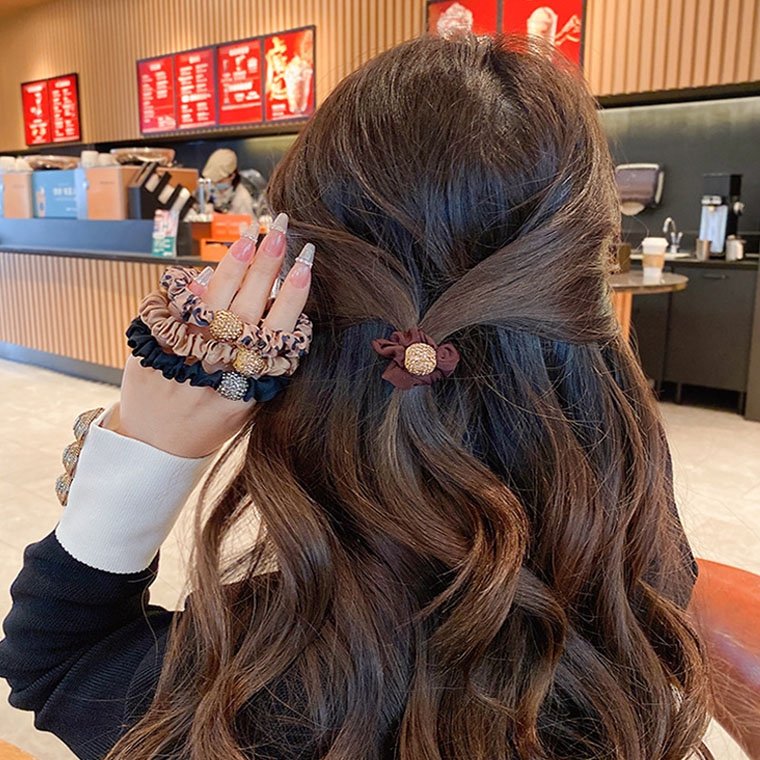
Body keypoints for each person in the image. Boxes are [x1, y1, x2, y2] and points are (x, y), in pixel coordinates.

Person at [0, 35, 712, 760]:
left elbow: (56, 658)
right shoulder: (638, 592)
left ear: (295, 297)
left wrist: (148, 443)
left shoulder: (240, 700)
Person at [202, 147, 256, 217]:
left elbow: (248, 222)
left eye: (219, 181)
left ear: (232, 176)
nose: (215, 184)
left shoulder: (242, 198)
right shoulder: (207, 188)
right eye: (213, 181)